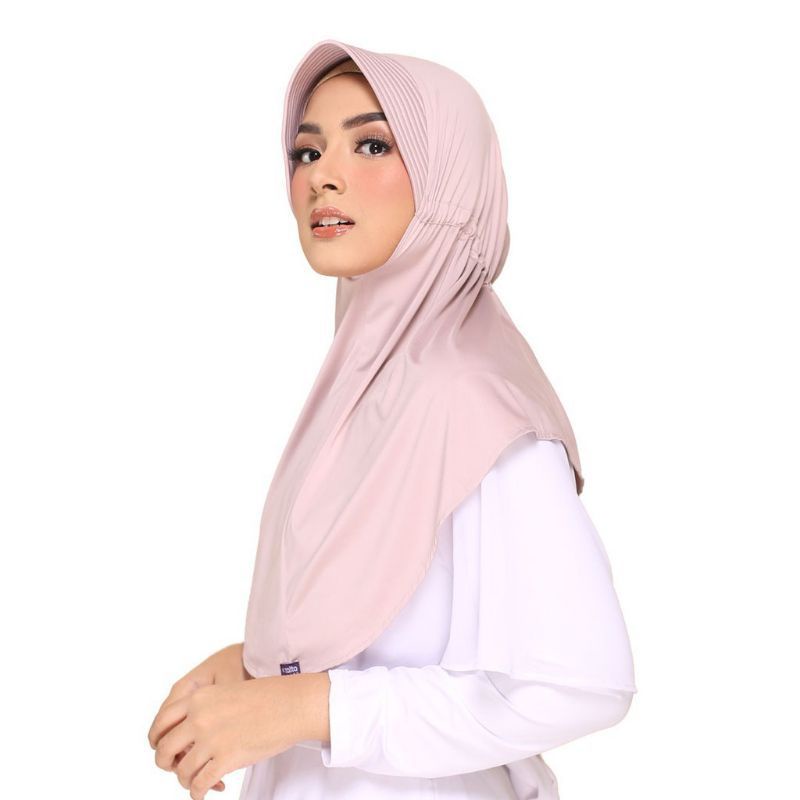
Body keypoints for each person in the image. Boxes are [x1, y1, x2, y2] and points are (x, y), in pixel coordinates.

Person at [148, 41, 637, 800]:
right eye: (306, 152)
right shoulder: (364, 391)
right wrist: (260, 670)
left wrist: (309, 708)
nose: (323, 176)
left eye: (372, 144)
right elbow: (395, 631)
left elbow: (580, 682)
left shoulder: (473, 399)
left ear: (450, 178)